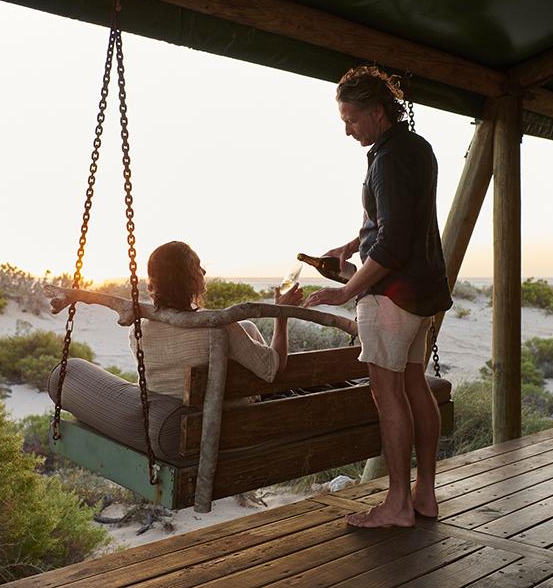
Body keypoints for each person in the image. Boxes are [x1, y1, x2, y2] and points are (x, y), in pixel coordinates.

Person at [304, 65, 452, 528]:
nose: (347, 129)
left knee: (387, 394)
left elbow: (392, 243)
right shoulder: (416, 148)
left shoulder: (387, 159)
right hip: (423, 293)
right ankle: (423, 495)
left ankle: (396, 505)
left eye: (350, 119)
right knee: (414, 387)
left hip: (390, 296)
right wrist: (351, 247)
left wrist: (348, 288)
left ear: (376, 110)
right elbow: (396, 219)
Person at [133, 240, 302, 400]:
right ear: (188, 278)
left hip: (173, 417)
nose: (204, 272)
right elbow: (275, 369)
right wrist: (282, 315)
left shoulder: (138, 332)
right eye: (198, 267)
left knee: (247, 327)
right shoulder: (218, 326)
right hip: (228, 420)